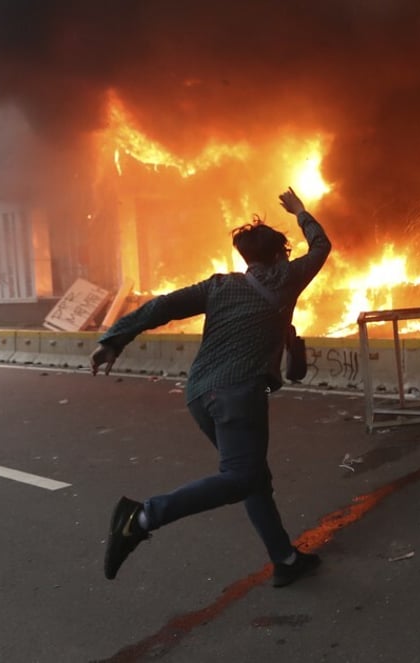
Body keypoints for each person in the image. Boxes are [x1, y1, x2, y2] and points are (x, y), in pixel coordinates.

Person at [91, 187, 332, 588]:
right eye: (285, 254)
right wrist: (301, 211)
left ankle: (285, 559)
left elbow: (161, 306)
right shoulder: (286, 277)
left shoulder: (219, 285)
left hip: (201, 394)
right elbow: (321, 245)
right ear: (279, 255)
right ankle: (143, 517)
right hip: (238, 396)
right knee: (240, 477)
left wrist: (114, 338)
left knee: (254, 478)